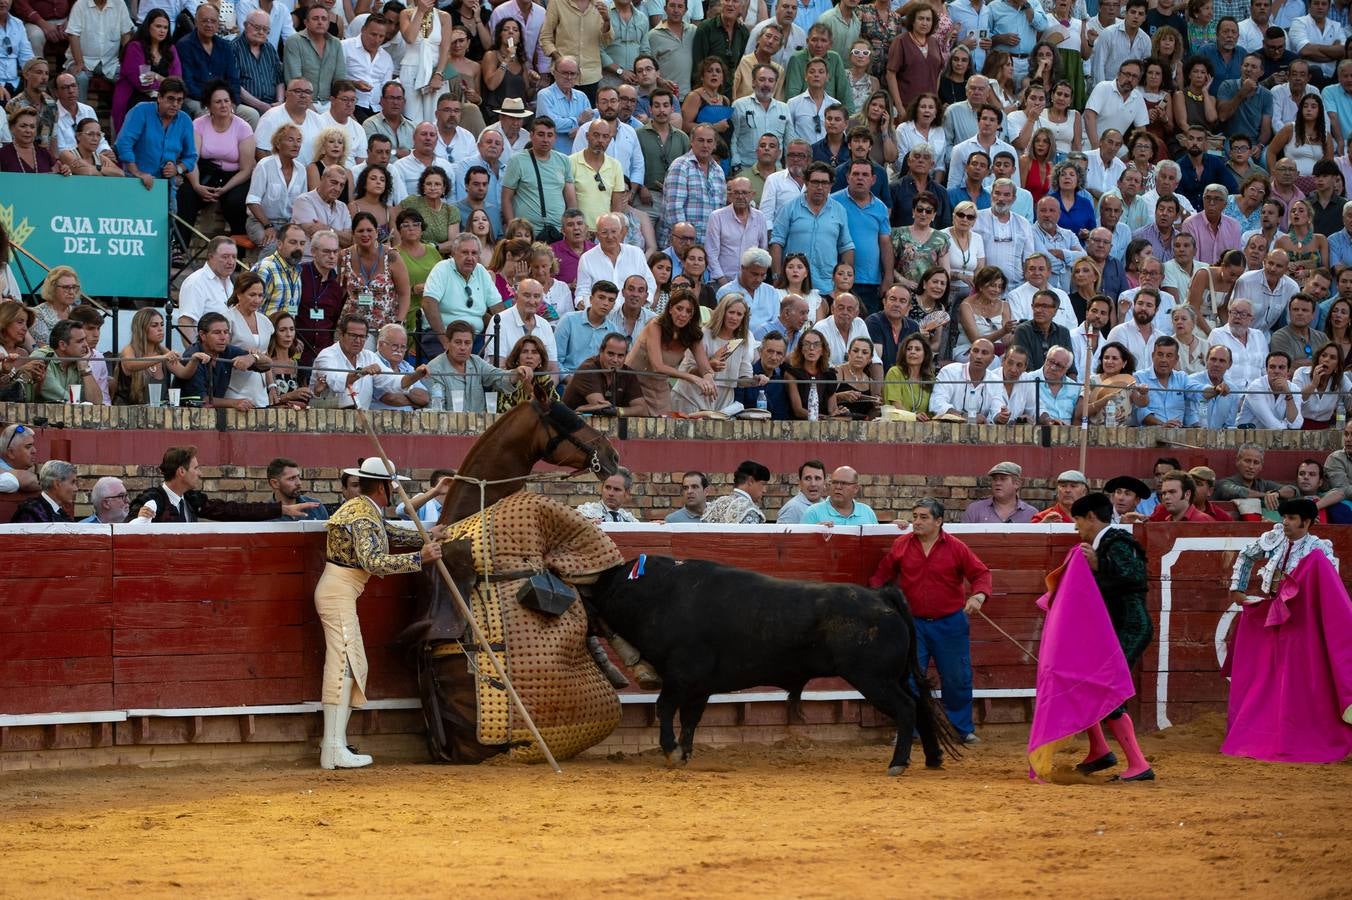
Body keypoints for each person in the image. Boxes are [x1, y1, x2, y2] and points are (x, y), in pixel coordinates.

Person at [314, 456, 441, 769]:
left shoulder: (365, 509)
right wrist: (420, 557)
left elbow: (390, 533)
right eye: (394, 486)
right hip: (338, 593)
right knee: (344, 665)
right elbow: (373, 562)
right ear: (384, 486)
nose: (396, 492)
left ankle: (334, 744)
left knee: (352, 664)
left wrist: (431, 534)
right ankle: (332, 747)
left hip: (340, 591)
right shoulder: (363, 515)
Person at [869, 496, 991, 743]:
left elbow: (981, 573)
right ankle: (910, 729)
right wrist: (874, 602)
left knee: (957, 677)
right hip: (913, 624)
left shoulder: (956, 547)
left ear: (939, 521)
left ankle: (961, 729)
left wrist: (978, 596)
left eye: (923, 517)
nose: (917, 522)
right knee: (911, 679)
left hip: (951, 622)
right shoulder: (902, 545)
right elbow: (880, 576)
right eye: (914, 516)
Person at [1062, 492, 1155, 781]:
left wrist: (1098, 565)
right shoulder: (1102, 545)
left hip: (1130, 626)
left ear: (1091, 517)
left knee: (1107, 689)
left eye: (1077, 521)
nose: (1076, 528)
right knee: (1087, 682)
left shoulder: (1117, 541)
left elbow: (1136, 576)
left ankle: (1139, 764)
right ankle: (1100, 749)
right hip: (1113, 628)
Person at [130, 445, 316, 523]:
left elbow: (234, 510)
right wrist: (138, 516)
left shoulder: (191, 500)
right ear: (181, 471)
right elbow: (131, 521)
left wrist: (281, 509)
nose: (200, 473)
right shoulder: (154, 498)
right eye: (196, 468)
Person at [425, 319, 536, 411]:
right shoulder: (434, 368)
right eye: (458, 342)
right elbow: (437, 411)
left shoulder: (476, 361)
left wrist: (516, 373)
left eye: (467, 343)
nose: (463, 347)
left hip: (480, 429)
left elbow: (498, 376)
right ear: (448, 343)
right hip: (449, 431)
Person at [113, 77, 195, 198]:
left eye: (179, 100)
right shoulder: (141, 110)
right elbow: (124, 144)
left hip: (166, 186)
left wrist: (177, 169)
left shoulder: (185, 120)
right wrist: (137, 173)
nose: (175, 104)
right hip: (135, 182)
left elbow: (191, 157)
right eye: (170, 99)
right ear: (159, 97)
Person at [561, 329, 649, 415]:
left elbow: (642, 409)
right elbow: (602, 408)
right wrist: (618, 410)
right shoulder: (588, 369)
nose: (615, 360)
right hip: (569, 425)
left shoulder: (627, 372)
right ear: (601, 352)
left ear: (626, 356)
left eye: (620, 356)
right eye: (611, 354)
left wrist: (618, 411)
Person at [963, 461, 1037, 523]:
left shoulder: (1031, 514)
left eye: (1003, 479)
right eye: (995, 479)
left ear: (1017, 484)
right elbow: (962, 539)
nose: (997, 483)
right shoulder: (975, 510)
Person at [700, 459, 772, 523]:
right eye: (763, 484)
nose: (764, 490)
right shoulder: (749, 511)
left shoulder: (716, 504)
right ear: (751, 481)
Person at [10, 460, 77, 523]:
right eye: (72, 482)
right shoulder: (31, 511)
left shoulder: (58, 511)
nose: (76, 488)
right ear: (57, 484)